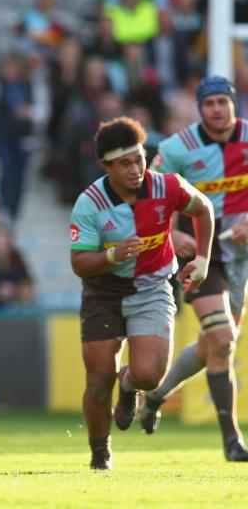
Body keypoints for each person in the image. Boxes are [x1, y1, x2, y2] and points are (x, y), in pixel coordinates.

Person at [68, 117, 215, 470]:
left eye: (139, 159)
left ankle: (130, 384)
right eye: (125, 164)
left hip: (152, 284)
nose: (136, 170)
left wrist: (203, 259)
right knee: (99, 378)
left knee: (149, 376)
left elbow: (203, 209)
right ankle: (100, 452)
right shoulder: (89, 203)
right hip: (103, 291)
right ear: (107, 166)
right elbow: (79, 263)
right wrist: (112, 255)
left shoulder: (168, 186)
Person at [141, 76, 248, 461]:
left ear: (233, 104)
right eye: (209, 103)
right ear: (199, 108)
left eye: (223, 102)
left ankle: (155, 395)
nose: (217, 109)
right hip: (199, 255)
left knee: (211, 345)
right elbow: (149, 195)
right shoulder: (176, 149)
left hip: (240, 258)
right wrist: (170, 232)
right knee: (222, 341)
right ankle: (232, 442)